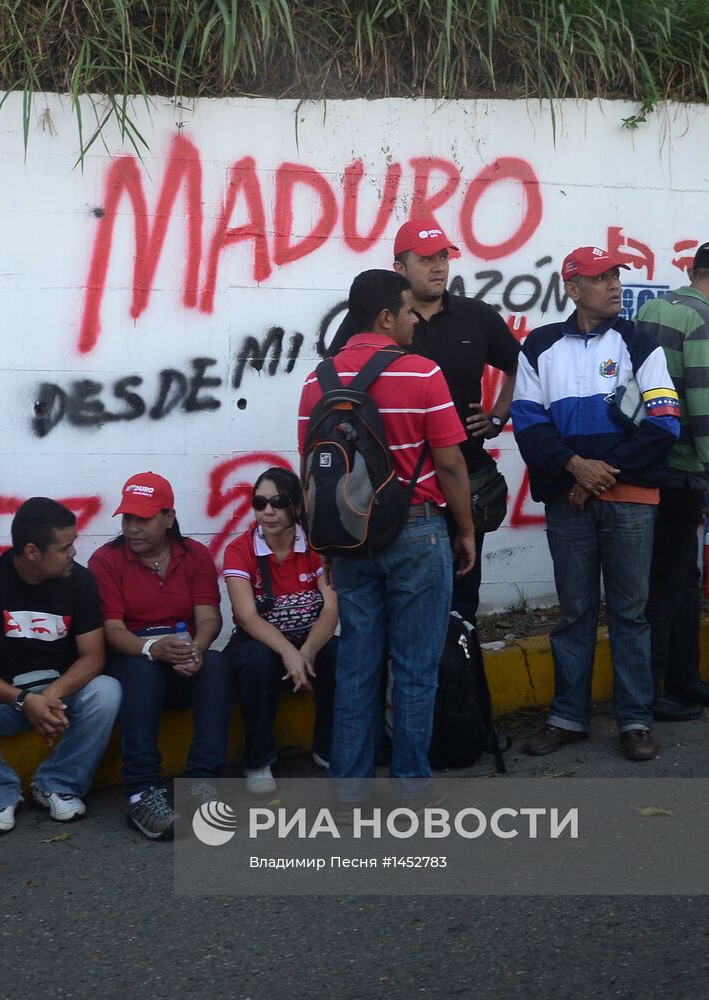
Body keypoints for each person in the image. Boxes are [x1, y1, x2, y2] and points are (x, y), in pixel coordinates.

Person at [297, 269, 474, 794]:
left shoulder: (317, 380)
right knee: (416, 671)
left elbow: (312, 470)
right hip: (418, 533)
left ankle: (349, 790)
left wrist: (325, 541)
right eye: (408, 312)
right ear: (384, 317)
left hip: (349, 539)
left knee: (356, 668)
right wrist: (464, 528)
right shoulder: (422, 373)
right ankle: (410, 790)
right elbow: (450, 466)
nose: (415, 322)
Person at [511, 247, 681, 762]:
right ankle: (568, 717)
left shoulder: (641, 343)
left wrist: (595, 474)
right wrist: (574, 468)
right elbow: (527, 424)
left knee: (630, 613)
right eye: (600, 277)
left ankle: (635, 719)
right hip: (570, 498)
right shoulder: (540, 346)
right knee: (575, 612)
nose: (613, 285)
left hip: (628, 499)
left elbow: (664, 422)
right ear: (571, 287)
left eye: (615, 276)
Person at [0, 497, 120, 833]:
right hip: (4, 701)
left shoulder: (80, 582)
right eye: (65, 547)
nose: (73, 553)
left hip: (59, 698)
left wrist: (51, 695)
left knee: (107, 691)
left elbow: (94, 656)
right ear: (32, 552)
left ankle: (58, 784)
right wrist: (24, 701)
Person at [88, 472, 232, 840]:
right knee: (143, 671)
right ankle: (142, 791)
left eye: (144, 519)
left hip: (182, 658)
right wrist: (153, 648)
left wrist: (196, 649)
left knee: (216, 665)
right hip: (132, 661)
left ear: (169, 518)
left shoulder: (195, 555)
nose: (133, 528)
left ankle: (202, 784)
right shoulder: (105, 561)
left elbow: (209, 616)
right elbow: (112, 630)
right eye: (127, 519)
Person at [634, 241, 709, 720]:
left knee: (676, 578)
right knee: (668, 583)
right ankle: (658, 690)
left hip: (649, 463)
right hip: (681, 471)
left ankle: (683, 679)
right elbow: (703, 404)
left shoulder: (655, 305)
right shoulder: (702, 320)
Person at [393, 221, 520, 623]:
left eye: (443, 257)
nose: (438, 267)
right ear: (400, 268)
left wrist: (498, 415)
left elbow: (524, 367)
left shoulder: (476, 316)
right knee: (406, 604)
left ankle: (456, 683)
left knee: (460, 603)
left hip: (464, 479)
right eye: (425, 259)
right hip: (400, 490)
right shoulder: (385, 318)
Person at [222, 467, 337, 794]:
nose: (268, 511)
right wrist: (288, 652)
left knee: (340, 653)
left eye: (278, 501)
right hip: (259, 644)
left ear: (297, 507)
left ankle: (326, 748)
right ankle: (258, 760)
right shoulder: (240, 549)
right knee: (257, 659)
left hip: (306, 643)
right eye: (260, 502)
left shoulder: (315, 544)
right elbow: (247, 617)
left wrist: (306, 652)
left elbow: (331, 608)